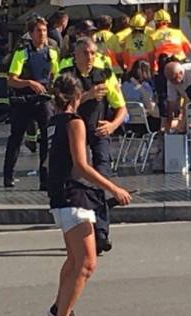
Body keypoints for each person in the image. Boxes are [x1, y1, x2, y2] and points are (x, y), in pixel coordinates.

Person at [44, 72, 131, 316]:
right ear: (78, 96)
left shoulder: (53, 122)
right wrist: (113, 188)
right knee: (86, 263)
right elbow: (81, 165)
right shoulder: (75, 123)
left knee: (73, 259)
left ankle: (61, 307)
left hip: (61, 194)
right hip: (75, 194)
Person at [59, 37, 127, 255]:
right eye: (85, 53)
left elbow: (121, 107)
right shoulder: (66, 73)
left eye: (92, 53)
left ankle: (101, 233)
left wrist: (112, 125)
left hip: (98, 132)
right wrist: (88, 96)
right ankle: (79, 229)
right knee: (78, 179)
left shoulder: (104, 73)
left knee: (101, 177)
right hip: (74, 132)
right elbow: (60, 105)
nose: (89, 58)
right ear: (76, 55)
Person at [4, 16, 59, 189]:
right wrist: (29, 83)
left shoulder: (52, 52)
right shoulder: (22, 52)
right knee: (16, 138)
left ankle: (45, 178)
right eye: (38, 31)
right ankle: (8, 176)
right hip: (24, 100)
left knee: (46, 139)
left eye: (44, 30)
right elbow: (11, 80)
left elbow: (55, 76)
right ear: (31, 33)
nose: (42, 34)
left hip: (43, 100)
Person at [164, 60, 191, 130]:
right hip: (187, 101)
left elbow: (190, 97)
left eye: (174, 79)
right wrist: (169, 124)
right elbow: (172, 102)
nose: (173, 82)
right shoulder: (171, 80)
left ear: (181, 73)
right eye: (170, 80)